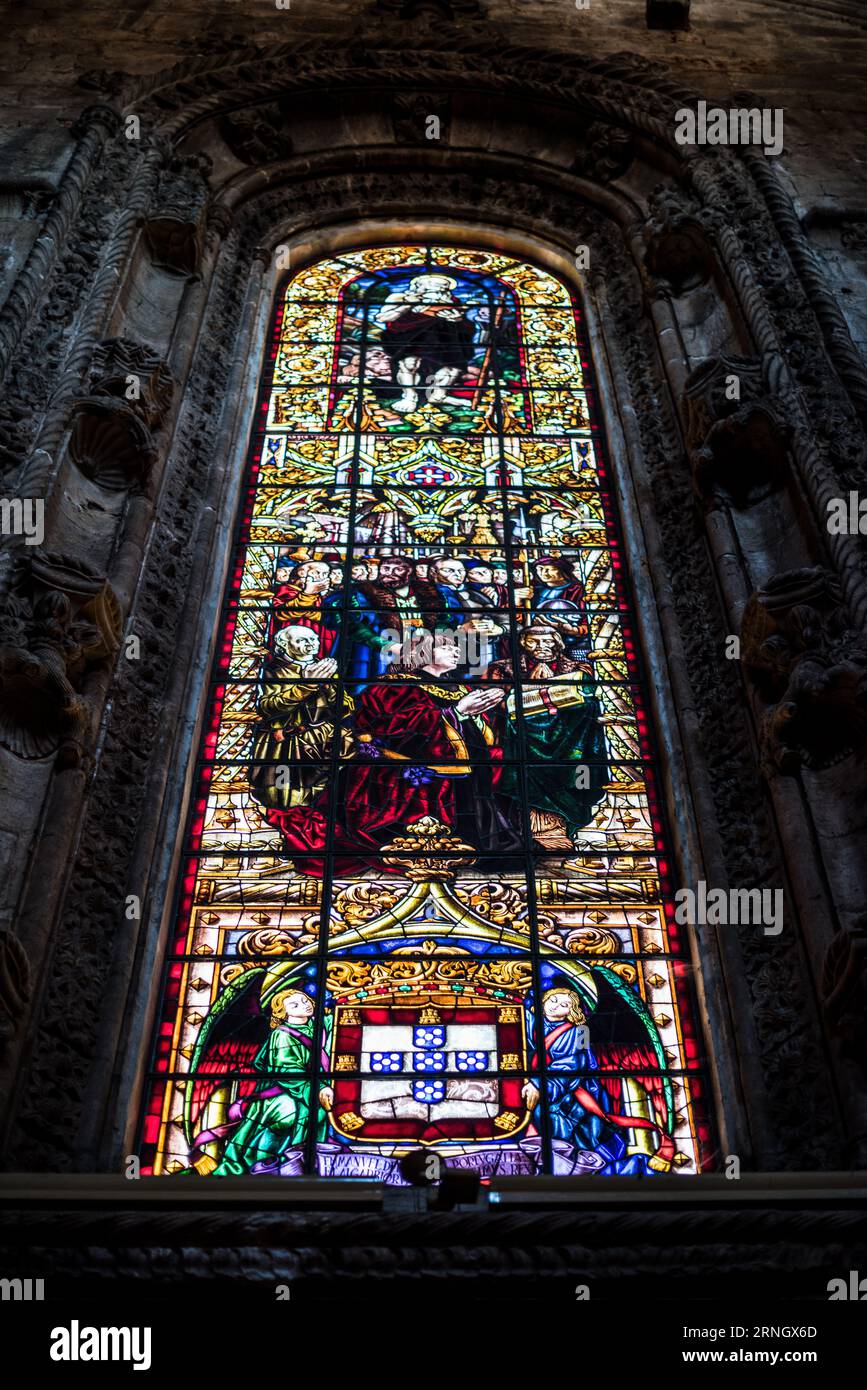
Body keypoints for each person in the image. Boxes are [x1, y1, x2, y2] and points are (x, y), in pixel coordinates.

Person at [265, 630, 523, 875]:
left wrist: (477, 716)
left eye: (456, 647)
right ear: (423, 653)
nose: (456, 651)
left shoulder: (458, 688)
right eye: (447, 647)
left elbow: (478, 736)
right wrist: (455, 713)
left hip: (466, 777)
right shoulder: (394, 687)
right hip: (402, 777)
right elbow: (394, 728)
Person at [523, 989, 665, 1176]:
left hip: (571, 1093)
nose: (555, 1006)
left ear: (572, 1012)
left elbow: (574, 1064)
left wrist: (541, 1085)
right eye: (553, 1000)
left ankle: (567, 1168)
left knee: (560, 1125)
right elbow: (515, 1019)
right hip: (541, 1088)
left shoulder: (580, 1032)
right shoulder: (534, 1023)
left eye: (564, 1005)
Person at [489, 625, 607, 845]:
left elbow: (592, 700)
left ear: (557, 642)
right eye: (533, 641)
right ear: (523, 643)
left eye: (546, 641)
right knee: (525, 767)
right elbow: (496, 703)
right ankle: (540, 830)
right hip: (522, 739)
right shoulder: (504, 669)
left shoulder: (579, 669)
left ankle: (577, 821)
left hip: (572, 739)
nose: (541, 647)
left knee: (581, 767)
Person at [196, 990, 333, 1176]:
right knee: (289, 1113)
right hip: (281, 1094)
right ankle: (256, 1163)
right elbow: (288, 1072)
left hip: (311, 1090)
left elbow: (342, 1021)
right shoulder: (282, 1035)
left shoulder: (319, 1027)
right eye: (295, 1005)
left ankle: (307, 1160)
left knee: (319, 1112)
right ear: (283, 1013)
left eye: (305, 999)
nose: (305, 1004)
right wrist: (318, 1089)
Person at [249, 626, 347, 812]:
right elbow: (269, 707)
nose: (310, 644)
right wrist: (307, 685)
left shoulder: (322, 667)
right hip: (285, 742)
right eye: (302, 640)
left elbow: (345, 708)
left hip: (323, 738)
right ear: (285, 645)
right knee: (283, 796)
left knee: (330, 787)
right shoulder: (274, 671)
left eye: (313, 639)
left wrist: (328, 687)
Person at [376, 274, 476, 413]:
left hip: (443, 337)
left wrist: (457, 319)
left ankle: (439, 396)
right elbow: (383, 317)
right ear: (419, 286)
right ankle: (409, 397)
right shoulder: (399, 297)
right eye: (436, 286)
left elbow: (464, 326)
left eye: (444, 288)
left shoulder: (453, 301)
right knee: (409, 364)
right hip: (408, 336)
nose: (441, 290)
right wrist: (408, 305)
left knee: (454, 366)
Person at [531, 556, 589, 657]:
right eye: (540, 569)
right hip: (538, 643)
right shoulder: (535, 591)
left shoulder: (578, 590)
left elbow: (589, 621)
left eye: (550, 569)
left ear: (563, 572)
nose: (544, 573)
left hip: (575, 645)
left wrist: (574, 630)